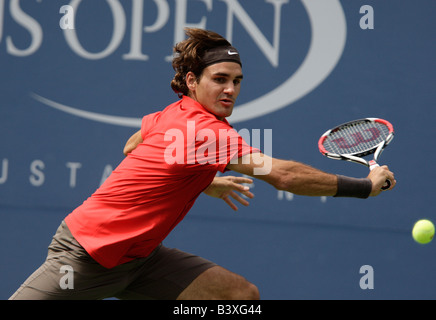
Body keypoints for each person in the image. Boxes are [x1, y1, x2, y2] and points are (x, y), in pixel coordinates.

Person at [10, 28, 395, 300]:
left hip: (141, 261)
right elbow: (284, 175)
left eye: (237, 81)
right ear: (192, 81)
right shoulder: (206, 133)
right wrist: (366, 185)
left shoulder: (173, 113)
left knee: (238, 296)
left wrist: (202, 179)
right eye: (220, 79)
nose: (230, 89)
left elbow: (133, 146)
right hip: (88, 254)